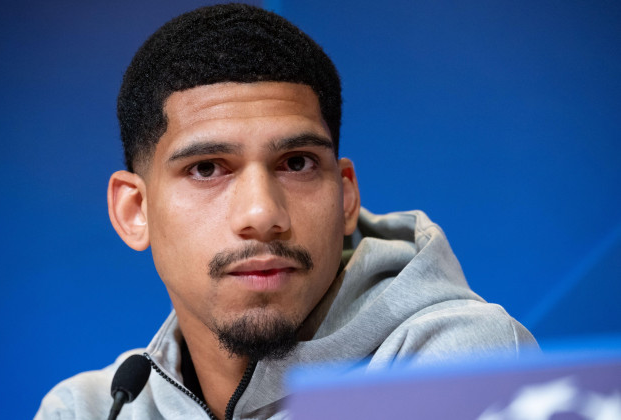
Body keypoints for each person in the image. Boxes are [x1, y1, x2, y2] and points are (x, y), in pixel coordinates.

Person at [36, 4, 537, 419]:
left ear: (345, 197)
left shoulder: (464, 361)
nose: (261, 213)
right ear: (135, 210)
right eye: (208, 169)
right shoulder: (89, 410)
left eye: (296, 163)